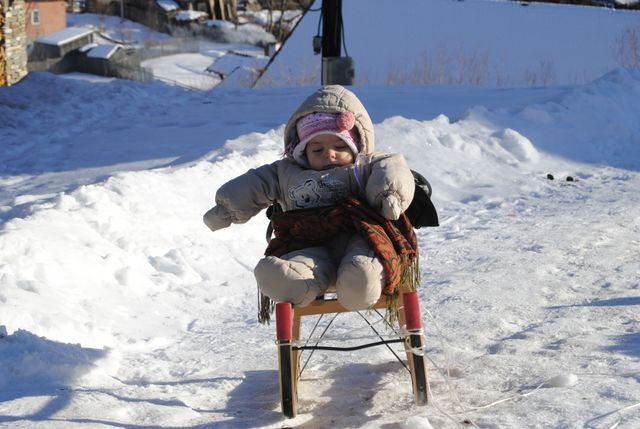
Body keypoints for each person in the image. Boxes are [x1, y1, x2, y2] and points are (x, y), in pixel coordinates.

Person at [203, 85, 418, 319]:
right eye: (317, 149)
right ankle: (291, 281)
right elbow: (256, 183)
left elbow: (392, 169)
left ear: (357, 145)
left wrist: (389, 193)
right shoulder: (286, 173)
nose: (329, 154)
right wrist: (227, 208)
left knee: (364, 261)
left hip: (360, 236)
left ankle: (360, 282)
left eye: (340, 146)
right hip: (308, 243)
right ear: (302, 152)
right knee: (295, 266)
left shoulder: (364, 166)